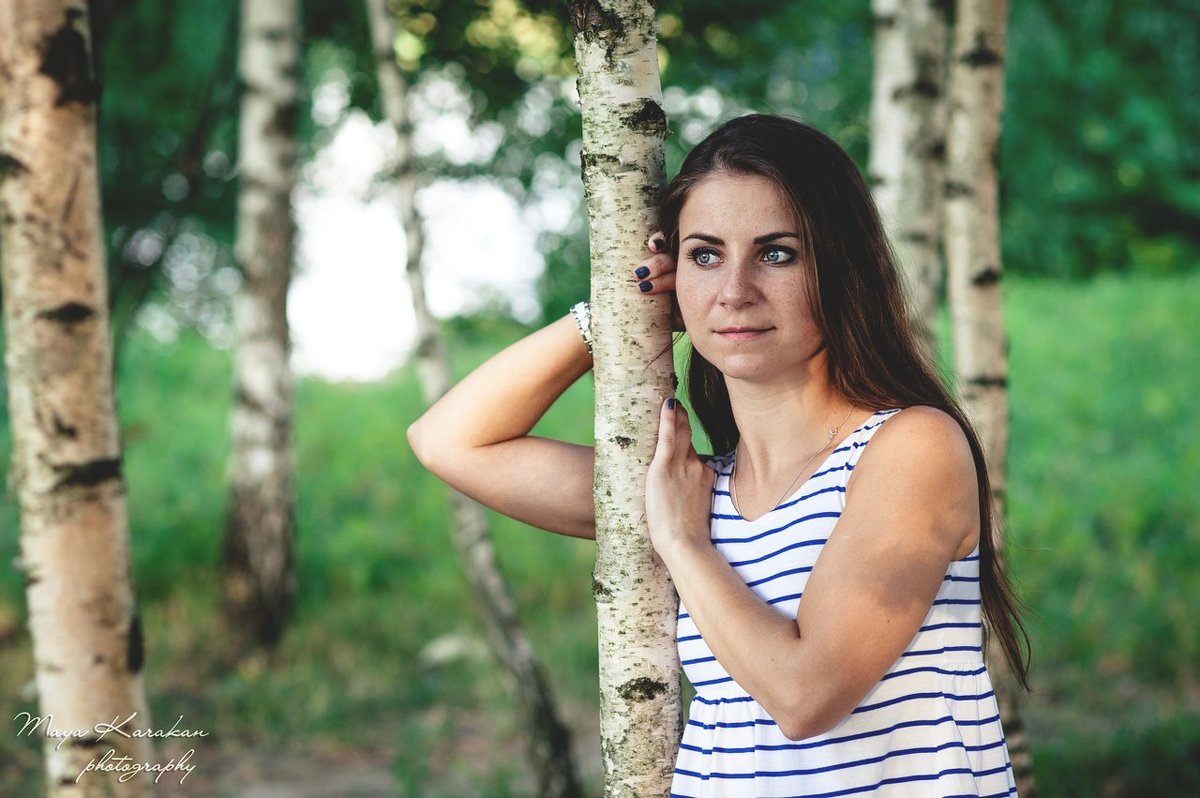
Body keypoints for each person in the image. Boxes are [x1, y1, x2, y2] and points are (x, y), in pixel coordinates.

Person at [408, 113, 1028, 797]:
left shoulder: (911, 447)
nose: (734, 291)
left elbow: (805, 696)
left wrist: (683, 542)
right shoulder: (699, 487)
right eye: (705, 256)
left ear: (841, 267)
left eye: (776, 253)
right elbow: (449, 441)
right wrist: (614, 312)